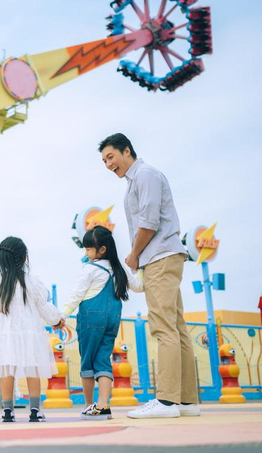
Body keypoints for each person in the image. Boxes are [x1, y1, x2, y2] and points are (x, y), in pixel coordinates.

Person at [98, 133, 200, 419]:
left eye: (111, 157)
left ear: (126, 150)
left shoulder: (144, 175)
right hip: (165, 256)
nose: (108, 164)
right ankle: (187, 402)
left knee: (163, 328)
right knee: (176, 327)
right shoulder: (137, 180)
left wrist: (133, 255)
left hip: (159, 257)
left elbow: (149, 221)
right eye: (104, 160)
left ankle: (167, 402)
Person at [0, 236, 65, 423]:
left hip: (5, 335)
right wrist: (58, 320)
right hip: (30, 333)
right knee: (33, 369)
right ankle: (35, 411)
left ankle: (8, 412)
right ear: (24, 258)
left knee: (7, 371)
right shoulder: (31, 282)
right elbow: (44, 306)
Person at [61, 226, 142, 420]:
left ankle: (89, 406)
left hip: (91, 318)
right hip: (113, 319)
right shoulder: (119, 268)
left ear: (102, 250)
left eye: (89, 249)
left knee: (87, 360)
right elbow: (139, 287)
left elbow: (76, 295)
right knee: (103, 360)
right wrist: (142, 269)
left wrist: (62, 315)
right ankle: (103, 405)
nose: (86, 253)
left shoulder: (90, 269)